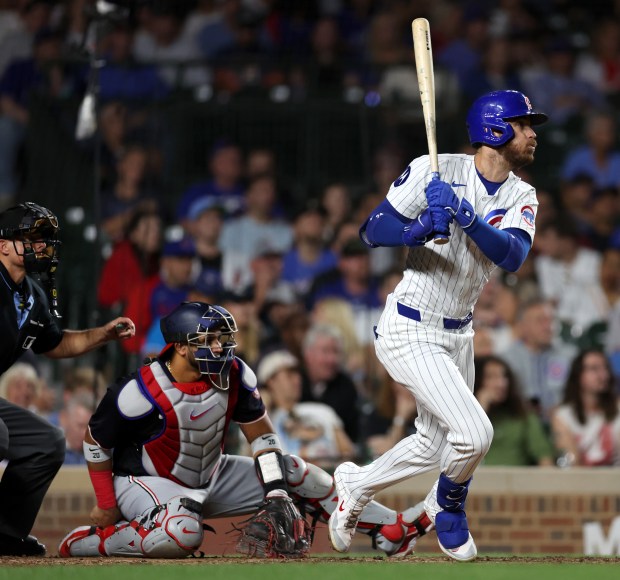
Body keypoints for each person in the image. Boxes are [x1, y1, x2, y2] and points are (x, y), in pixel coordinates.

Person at [327, 90, 549, 562]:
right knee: (475, 434)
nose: (532, 133)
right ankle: (448, 511)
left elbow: (511, 256)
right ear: (495, 130)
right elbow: (371, 229)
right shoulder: (434, 167)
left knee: (435, 446)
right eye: (523, 123)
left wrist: (463, 215)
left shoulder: (522, 194)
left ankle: (356, 483)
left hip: (458, 333)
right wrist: (417, 227)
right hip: (410, 324)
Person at [58, 301, 430, 559]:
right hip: (145, 480)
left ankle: (391, 530)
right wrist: (107, 506)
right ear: (182, 349)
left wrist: (276, 490)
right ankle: (93, 542)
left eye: (223, 338)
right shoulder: (138, 390)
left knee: (294, 472)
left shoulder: (235, 373)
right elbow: (95, 442)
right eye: (211, 340)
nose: (221, 347)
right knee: (182, 533)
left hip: (211, 474)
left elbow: (264, 439)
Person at [0, 201, 135, 556]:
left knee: (46, 441)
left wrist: (102, 334)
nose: (42, 246)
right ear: (3, 245)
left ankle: (5, 533)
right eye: (33, 237)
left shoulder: (32, 295)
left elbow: (55, 343)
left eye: (45, 239)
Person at [474, 355, 555, 466]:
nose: (501, 383)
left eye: (504, 376)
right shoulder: (460, 415)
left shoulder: (523, 415)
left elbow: (544, 456)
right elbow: (464, 447)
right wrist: (480, 408)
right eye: (490, 377)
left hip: (515, 480)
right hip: (474, 480)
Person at [550, 349, 620, 467]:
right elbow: (571, 461)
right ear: (578, 375)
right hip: (580, 480)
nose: (603, 375)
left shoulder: (617, 410)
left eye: (605, 368)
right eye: (594, 369)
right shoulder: (563, 415)